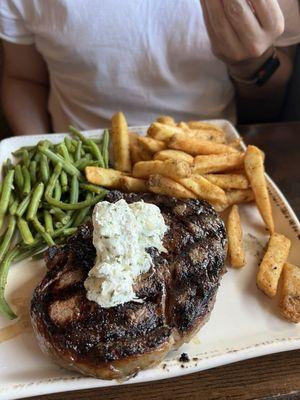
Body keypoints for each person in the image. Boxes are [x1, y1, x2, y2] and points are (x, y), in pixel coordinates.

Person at [0, 0, 299, 135]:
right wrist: (39, 152)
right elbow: (24, 78)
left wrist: (249, 64)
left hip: (211, 163)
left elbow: (272, 103)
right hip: (78, 168)